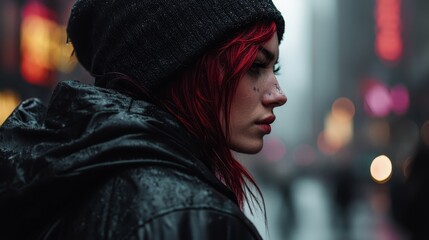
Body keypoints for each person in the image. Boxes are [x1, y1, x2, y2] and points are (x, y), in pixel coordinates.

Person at [0, 0, 287, 239]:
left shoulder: (60, 185)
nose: (278, 94)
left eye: (275, 68)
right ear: (183, 68)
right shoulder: (191, 218)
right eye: (255, 66)